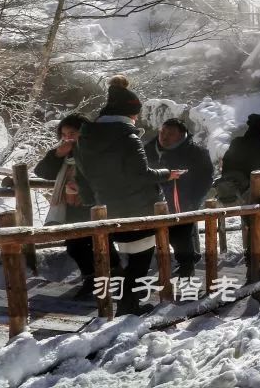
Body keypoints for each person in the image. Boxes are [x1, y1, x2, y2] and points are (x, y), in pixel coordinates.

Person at [75, 76, 184, 316]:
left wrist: (91, 199)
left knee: (121, 259)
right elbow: (140, 174)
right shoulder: (127, 137)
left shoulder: (86, 137)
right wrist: (167, 174)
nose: (136, 119)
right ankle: (129, 307)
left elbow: (80, 175)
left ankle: (120, 306)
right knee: (139, 261)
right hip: (137, 206)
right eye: (135, 115)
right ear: (129, 113)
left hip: (105, 207)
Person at [34, 114, 116, 299]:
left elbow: (107, 177)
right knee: (74, 245)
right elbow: (42, 172)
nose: (68, 137)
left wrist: (83, 187)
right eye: (64, 134)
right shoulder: (65, 153)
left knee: (99, 242)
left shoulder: (98, 150)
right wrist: (57, 154)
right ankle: (93, 278)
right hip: (70, 206)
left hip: (95, 204)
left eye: (72, 133)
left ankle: (107, 278)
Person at [144, 118, 213, 278]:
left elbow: (206, 179)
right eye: (162, 132)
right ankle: (187, 259)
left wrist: (193, 200)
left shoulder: (196, 152)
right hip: (154, 199)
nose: (164, 137)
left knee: (180, 233)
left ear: (182, 135)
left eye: (170, 134)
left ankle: (186, 267)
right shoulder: (148, 150)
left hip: (183, 199)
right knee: (160, 232)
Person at [219, 114, 260, 271]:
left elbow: (226, 168)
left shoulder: (236, 144)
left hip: (240, 196)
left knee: (252, 230)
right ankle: (257, 268)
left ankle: (252, 263)